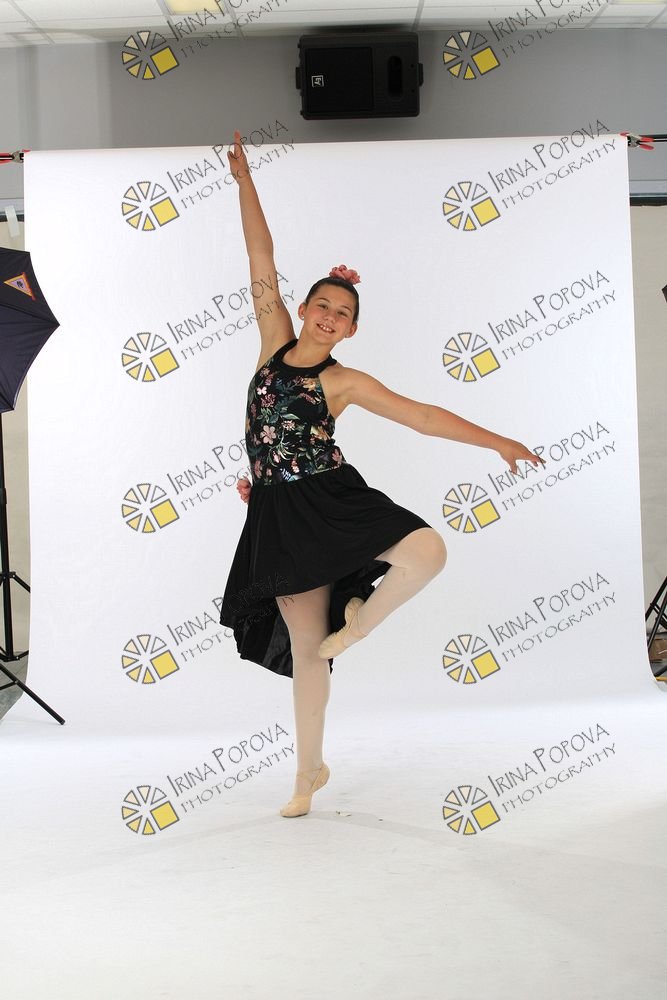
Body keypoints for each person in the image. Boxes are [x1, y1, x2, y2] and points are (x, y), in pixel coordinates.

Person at [219, 130, 544, 819]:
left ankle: (359, 624)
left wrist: (498, 442)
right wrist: (245, 182)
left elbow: (421, 416)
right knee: (307, 652)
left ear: (350, 330)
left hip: (331, 498)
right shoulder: (272, 343)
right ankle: (308, 773)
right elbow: (259, 257)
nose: (330, 317)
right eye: (323, 305)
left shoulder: (343, 381)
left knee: (427, 549)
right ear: (303, 310)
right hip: (279, 515)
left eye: (343, 314)